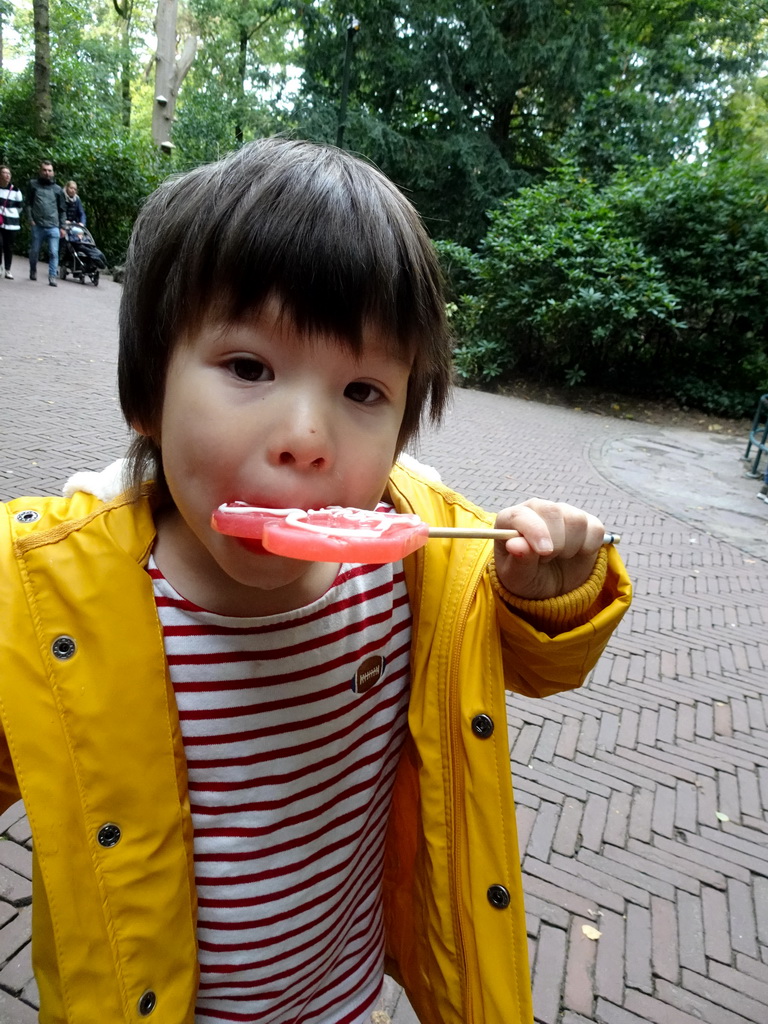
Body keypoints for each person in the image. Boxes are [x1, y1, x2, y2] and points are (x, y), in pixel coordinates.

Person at [0, 138, 632, 1024]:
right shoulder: (48, 599)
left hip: (345, 996)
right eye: (249, 369)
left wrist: (548, 592)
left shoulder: (420, 566)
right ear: (146, 392)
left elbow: (538, 662)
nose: (307, 434)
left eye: (363, 391)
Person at [26, 158, 66, 286]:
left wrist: (63, 226)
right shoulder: (33, 185)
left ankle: (52, 276)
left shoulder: (58, 189)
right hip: (37, 225)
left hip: (53, 226)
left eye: (49, 170)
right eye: (44, 170)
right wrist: (30, 220)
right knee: (34, 251)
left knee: (54, 252)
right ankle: (33, 270)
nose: (47, 173)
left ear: (53, 172)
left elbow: (62, 210)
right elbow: (28, 204)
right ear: (40, 171)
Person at [0, 165, 23, 279]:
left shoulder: (16, 190)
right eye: (4, 173)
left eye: (8, 173)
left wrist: (10, 213)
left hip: (11, 223)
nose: (7, 175)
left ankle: (8, 269)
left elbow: (20, 207)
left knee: (9, 246)